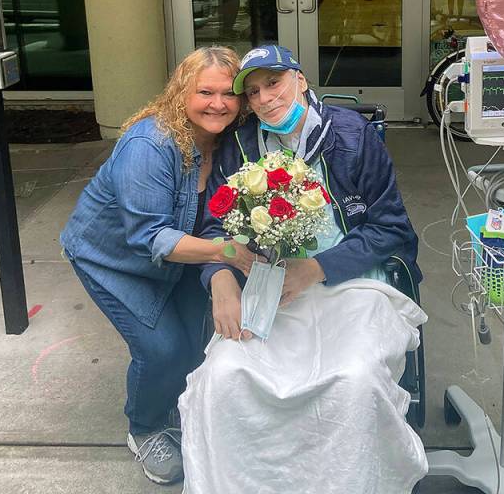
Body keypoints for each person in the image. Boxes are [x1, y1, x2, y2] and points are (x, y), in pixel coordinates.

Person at [179, 45, 427, 494]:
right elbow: (214, 225)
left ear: (301, 80)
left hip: (355, 283)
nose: (265, 98)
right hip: (271, 286)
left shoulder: (351, 135)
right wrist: (219, 279)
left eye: (273, 82)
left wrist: (317, 268)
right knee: (225, 377)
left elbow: (392, 228)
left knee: (354, 379)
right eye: (252, 92)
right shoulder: (241, 145)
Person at [60, 46, 258, 485]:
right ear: (180, 93)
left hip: (183, 253)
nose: (218, 103)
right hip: (112, 259)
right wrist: (226, 254)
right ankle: (144, 427)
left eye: (230, 93)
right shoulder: (151, 144)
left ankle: (176, 404)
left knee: (194, 343)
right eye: (205, 91)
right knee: (162, 350)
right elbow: (150, 236)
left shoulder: (231, 138)